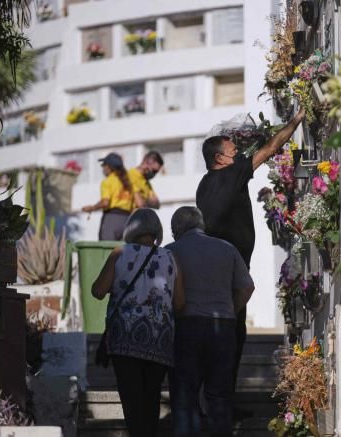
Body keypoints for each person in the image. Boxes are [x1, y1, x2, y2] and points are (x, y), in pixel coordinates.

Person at [195, 108, 305, 399]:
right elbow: (269, 149)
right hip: (231, 272)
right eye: (232, 149)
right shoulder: (231, 174)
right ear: (220, 158)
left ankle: (219, 403)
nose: (237, 150)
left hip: (213, 271)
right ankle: (220, 406)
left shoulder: (204, 185)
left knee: (227, 336)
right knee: (231, 338)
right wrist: (295, 120)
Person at [91, 208, 185, 437]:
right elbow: (181, 303)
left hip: (125, 337)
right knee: (151, 397)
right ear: (157, 231)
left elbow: (98, 291)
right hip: (159, 338)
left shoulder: (119, 253)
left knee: (132, 400)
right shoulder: (170, 258)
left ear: (130, 229)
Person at [165, 207, 254, 437]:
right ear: (201, 225)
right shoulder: (227, 248)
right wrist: (231, 311)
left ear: (176, 229)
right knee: (219, 395)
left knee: (185, 396)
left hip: (185, 328)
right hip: (222, 327)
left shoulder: (169, 251)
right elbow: (247, 287)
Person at [81, 152, 144, 240]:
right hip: (127, 221)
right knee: (123, 252)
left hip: (111, 220)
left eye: (103, 165)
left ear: (109, 167)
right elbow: (140, 204)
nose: (102, 167)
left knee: (107, 251)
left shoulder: (108, 181)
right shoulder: (130, 182)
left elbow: (105, 203)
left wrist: (91, 208)